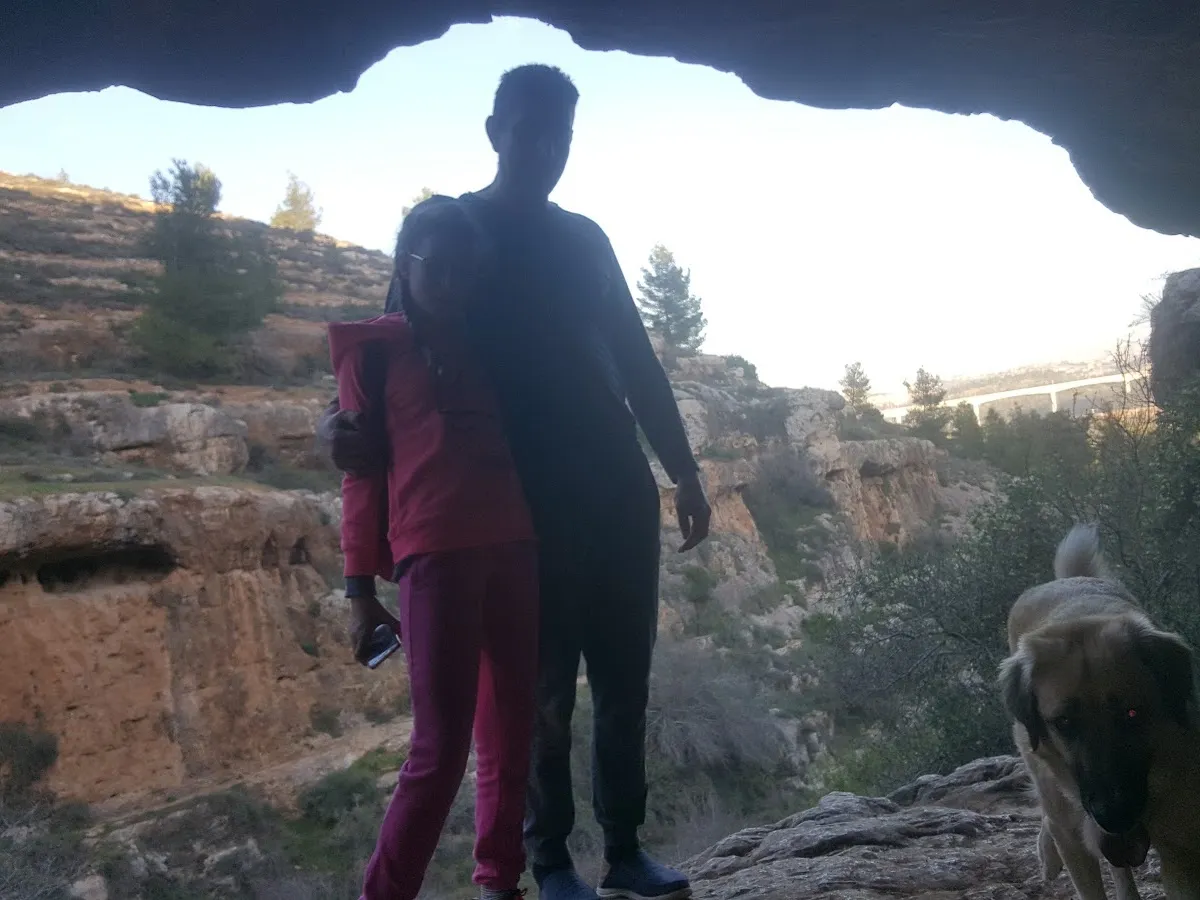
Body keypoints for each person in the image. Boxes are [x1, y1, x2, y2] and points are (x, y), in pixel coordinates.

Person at [319, 64, 712, 900]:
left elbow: (638, 360)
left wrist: (683, 471)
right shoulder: (456, 233)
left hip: (615, 486)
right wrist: (337, 429)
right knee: (540, 698)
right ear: (496, 131)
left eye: (560, 135)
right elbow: (391, 346)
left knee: (624, 682)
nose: (545, 150)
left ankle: (626, 850)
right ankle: (551, 860)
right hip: (522, 507)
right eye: (530, 131)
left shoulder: (588, 240)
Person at [330, 197, 539, 900]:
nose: (451, 284)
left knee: (513, 730)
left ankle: (499, 881)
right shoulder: (373, 352)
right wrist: (359, 592)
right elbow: (359, 476)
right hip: (434, 558)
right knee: (439, 748)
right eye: (436, 268)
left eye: (464, 271)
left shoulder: (492, 344)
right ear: (404, 265)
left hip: (514, 546)